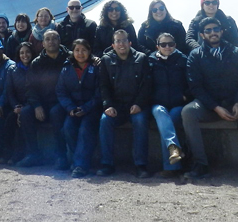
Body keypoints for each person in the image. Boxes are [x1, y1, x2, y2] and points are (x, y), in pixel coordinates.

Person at [181, 17, 238, 180]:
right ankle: (200, 164)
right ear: (202, 35)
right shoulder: (195, 56)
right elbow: (196, 87)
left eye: (216, 29)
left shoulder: (235, 53)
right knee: (188, 112)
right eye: (208, 31)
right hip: (209, 106)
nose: (213, 33)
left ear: (221, 31)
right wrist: (216, 107)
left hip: (236, 104)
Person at [97, 29, 151, 178]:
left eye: (124, 40)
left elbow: (147, 85)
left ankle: (141, 165)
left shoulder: (142, 58)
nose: (121, 44)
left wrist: (139, 103)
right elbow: (103, 85)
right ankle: (107, 164)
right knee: (104, 121)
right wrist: (108, 105)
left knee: (140, 121)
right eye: (118, 41)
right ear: (113, 45)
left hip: (136, 105)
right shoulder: (106, 60)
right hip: (116, 106)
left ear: (130, 42)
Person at [17, 30, 68, 168]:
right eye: (48, 39)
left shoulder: (69, 58)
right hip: (42, 103)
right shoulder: (37, 63)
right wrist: (36, 105)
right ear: (43, 43)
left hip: (61, 103)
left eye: (54, 38)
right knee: (26, 113)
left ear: (59, 40)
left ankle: (61, 156)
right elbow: (30, 88)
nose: (51, 41)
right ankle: (33, 154)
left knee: (56, 113)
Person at [56, 39, 100, 177]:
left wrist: (86, 108)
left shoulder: (97, 67)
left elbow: (100, 93)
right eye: (77, 50)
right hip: (74, 109)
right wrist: (71, 108)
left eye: (83, 50)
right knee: (68, 128)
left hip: (92, 109)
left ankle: (80, 165)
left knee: (85, 129)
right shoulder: (66, 68)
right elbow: (61, 91)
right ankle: (78, 161)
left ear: (89, 51)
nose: (80, 53)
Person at [148, 33, 189, 178]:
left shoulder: (183, 59)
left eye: (170, 44)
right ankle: (174, 151)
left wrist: (185, 96)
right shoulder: (151, 60)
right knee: (160, 112)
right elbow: (146, 84)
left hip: (178, 103)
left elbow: (191, 82)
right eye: (163, 44)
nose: (167, 47)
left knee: (169, 120)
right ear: (157, 46)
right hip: (158, 103)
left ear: (175, 45)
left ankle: (170, 164)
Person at [5, 42, 34, 164]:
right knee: (10, 119)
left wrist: (24, 107)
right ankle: (11, 153)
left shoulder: (36, 67)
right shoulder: (13, 70)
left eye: (27, 52)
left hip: (32, 105)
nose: (25, 55)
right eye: (22, 52)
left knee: (23, 118)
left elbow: (37, 91)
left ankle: (27, 153)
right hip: (18, 105)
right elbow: (10, 92)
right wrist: (15, 106)